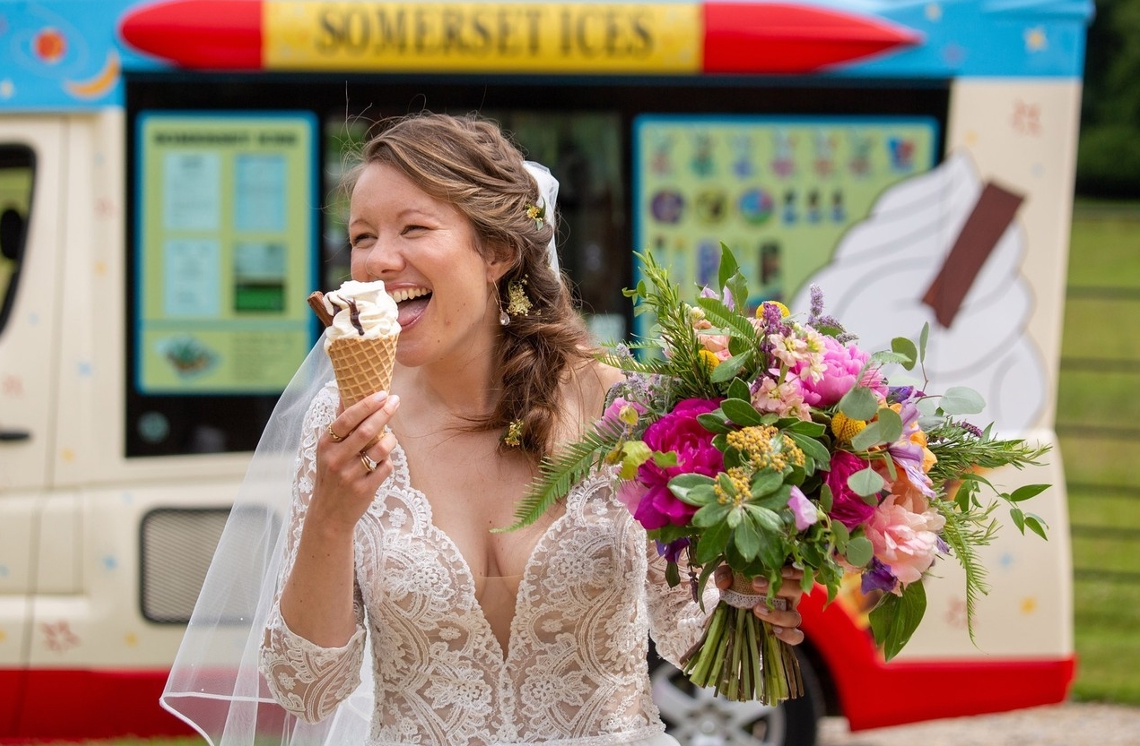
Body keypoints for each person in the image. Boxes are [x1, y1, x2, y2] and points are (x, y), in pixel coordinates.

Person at [163, 112, 804, 746]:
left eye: (413, 228)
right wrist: (331, 518)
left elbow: (692, 638)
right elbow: (307, 689)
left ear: (497, 252)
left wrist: (751, 588)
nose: (378, 261)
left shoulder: (624, 409)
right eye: (361, 238)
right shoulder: (344, 424)